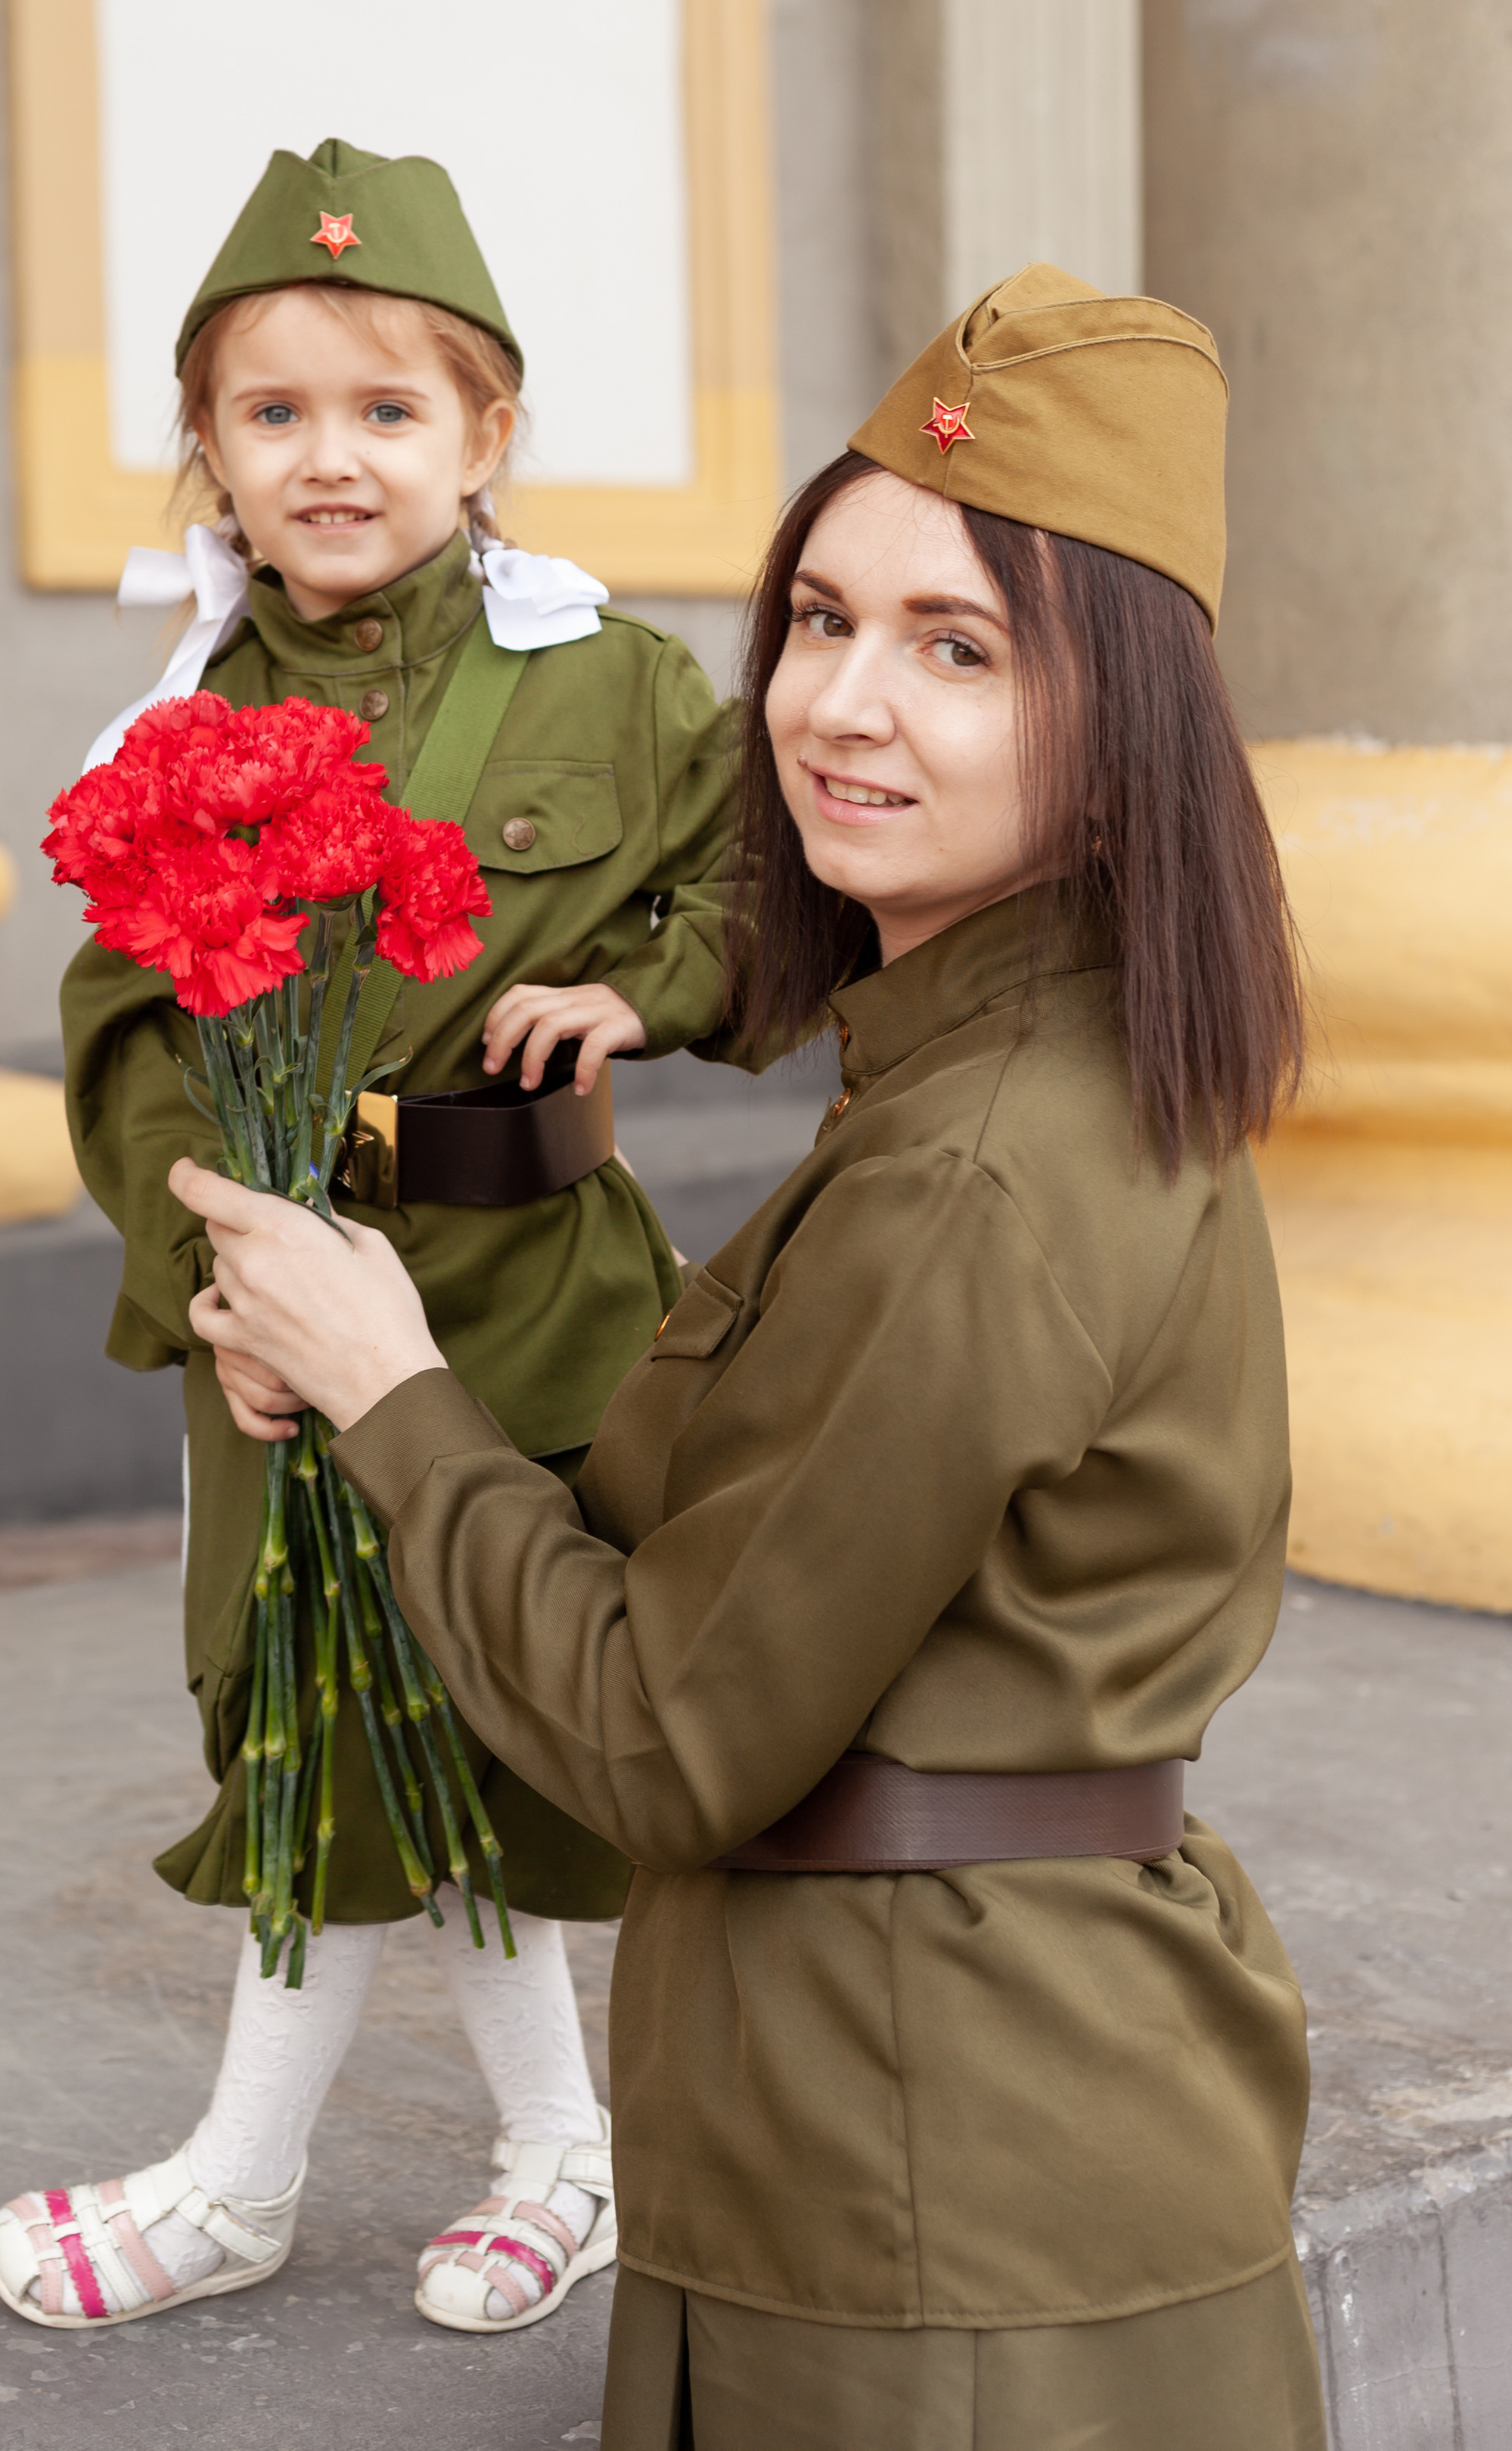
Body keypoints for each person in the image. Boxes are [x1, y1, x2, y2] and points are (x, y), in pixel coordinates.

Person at [176, 264, 1329, 2447]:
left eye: (959, 647)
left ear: (1128, 728)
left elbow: (662, 1734)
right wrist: (360, 1366)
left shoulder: (977, 1169)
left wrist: (403, 1403)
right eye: (822, 621)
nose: (842, 705)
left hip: (924, 2198)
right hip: (956, 2128)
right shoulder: (1012, 1070)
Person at [0, 140, 739, 2336]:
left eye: (390, 409)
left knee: (495, 1719)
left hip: (535, 1301)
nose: (334, 457)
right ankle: (498, 2158)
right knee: (320, 1720)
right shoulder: (189, 725)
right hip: (292, 1311)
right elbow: (126, 1037)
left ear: (486, 435)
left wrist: (647, 989)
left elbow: (759, 893)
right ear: (207, 447)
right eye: (277, 411)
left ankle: (364, 2172)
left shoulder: (609, 682)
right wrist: (216, 1273)